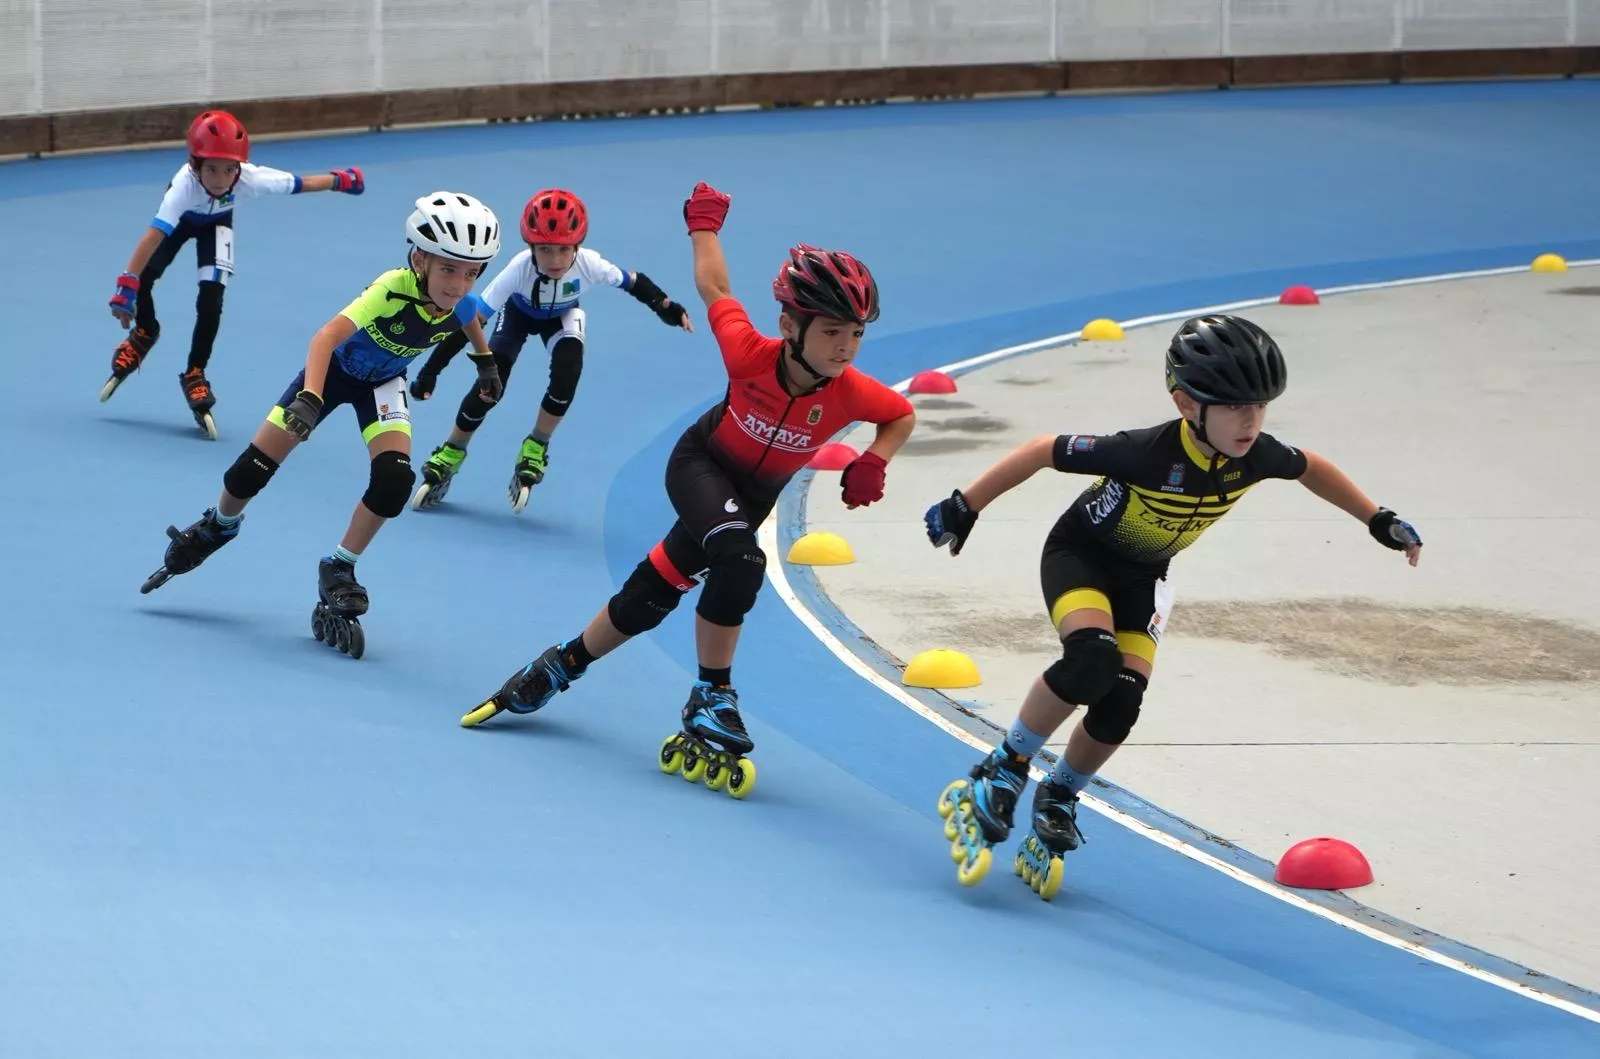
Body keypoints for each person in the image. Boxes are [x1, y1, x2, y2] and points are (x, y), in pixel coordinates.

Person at [924, 313, 1423, 898]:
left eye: (1260, 406)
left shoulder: (1257, 455)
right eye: (1235, 407)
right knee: (1092, 661)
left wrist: (1376, 519)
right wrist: (966, 505)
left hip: (1144, 579)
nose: (1251, 421)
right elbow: (1040, 450)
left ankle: (1060, 792)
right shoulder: (1143, 453)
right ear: (1187, 403)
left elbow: (1313, 468)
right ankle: (1006, 763)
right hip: (1081, 556)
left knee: (1121, 703)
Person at [457, 181, 917, 800]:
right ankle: (713, 693)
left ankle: (559, 664)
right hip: (701, 464)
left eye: (856, 333)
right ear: (790, 324)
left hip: (751, 497)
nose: (846, 346)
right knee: (741, 559)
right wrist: (704, 225)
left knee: (654, 592)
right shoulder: (750, 353)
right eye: (833, 330)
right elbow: (715, 289)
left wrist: (875, 460)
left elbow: (901, 415)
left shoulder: (854, 391)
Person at [138, 192, 505, 660]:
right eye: (448, 270)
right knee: (250, 471)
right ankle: (219, 526)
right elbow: (325, 337)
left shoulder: (459, 298)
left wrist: (485, 362)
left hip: (384, 383)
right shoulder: (391, 288)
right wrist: (310, 395)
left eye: (471, 271)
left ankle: (339, 567)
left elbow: (470, 314)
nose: (458, 283)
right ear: (419, 259)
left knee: (394, 480)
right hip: (331, 374)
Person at [407, 188, 693, 513]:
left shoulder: (589, 264)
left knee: (567, 371)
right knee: (492, 377)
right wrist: (432, 371)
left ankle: (537, 445)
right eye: (545, 249)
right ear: (530, 247)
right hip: (517, 314)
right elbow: (469, 324)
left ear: (577, 246)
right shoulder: (518, 269)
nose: (555, 260)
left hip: (562, 317)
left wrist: (664, 306)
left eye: (563, 250)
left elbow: (633, 281)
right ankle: (453, 449)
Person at [101, 109, 366, 438]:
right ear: (196, 164)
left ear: (239, 168)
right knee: (145, 277)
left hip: (217, 227)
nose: (220, 179)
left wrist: (341, 180)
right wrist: (126, 287)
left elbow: (301, 184)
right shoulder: (183, 187)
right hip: (182, 222)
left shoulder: (251, 179)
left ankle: (195, 372)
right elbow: (153, 235)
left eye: (229, 170)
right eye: (211, 169)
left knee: (211, 302)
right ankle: (145, 331)